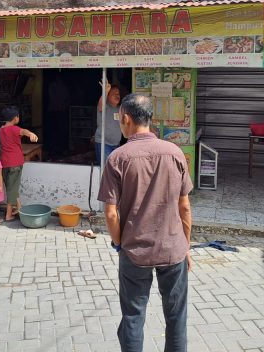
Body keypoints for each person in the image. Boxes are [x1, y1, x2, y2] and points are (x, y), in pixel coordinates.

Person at [98, 93, 193, 352]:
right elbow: (184, 206)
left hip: (134, 251)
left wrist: (119, 244)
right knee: (176, 318)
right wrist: (186, 246)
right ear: (150, 118)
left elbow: (110, 214)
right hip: (173, 249)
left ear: (126, 119)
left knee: (133, 316)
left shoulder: (117, 158)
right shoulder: (174, 153)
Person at [0, 106, 38, 221]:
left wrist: (29, 133)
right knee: (12, 189)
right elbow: (23, 131)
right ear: (15, 118)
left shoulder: (1, 129)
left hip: (5, 162)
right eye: (18, 116)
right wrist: (31, 134)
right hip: (15, 163)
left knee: (11, 187)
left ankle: (19, 209)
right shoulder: (14, 129)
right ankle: (8, 215)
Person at [95, 79, 121, 164]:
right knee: (106, 170)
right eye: (114, 94)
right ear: (108, 96)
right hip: (104, 144)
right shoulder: (105, 107)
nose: (117, 96)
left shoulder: (120, 109)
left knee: (114, 170)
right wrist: (105, 92)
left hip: (116, 145)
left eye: (118, 94)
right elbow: (100, 106)